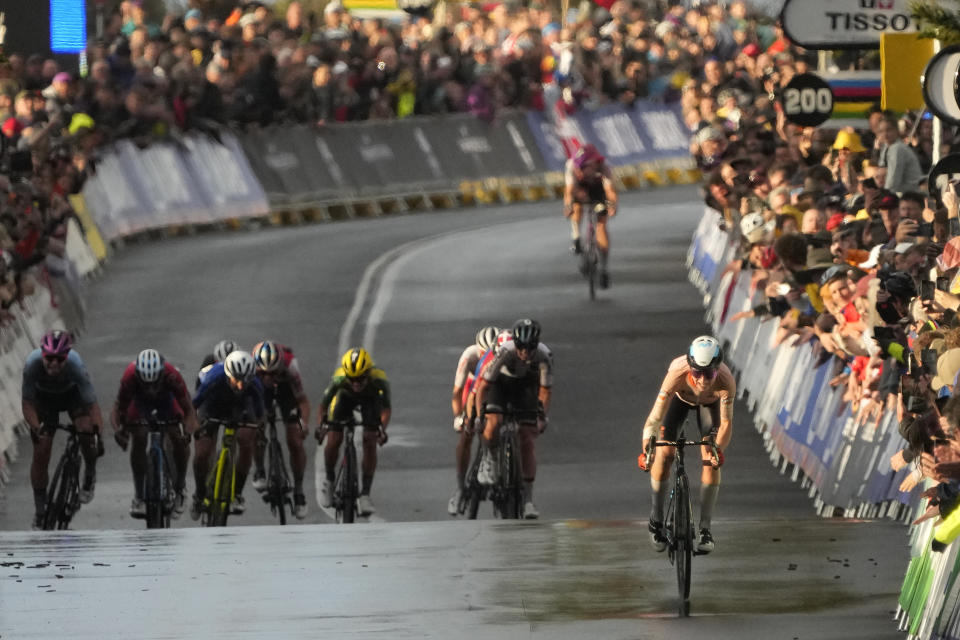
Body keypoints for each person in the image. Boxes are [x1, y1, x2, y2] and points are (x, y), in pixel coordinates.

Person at [639, 336, 734, 554]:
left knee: (710, 460)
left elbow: (727, 422)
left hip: (709, 406)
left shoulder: (726, 380)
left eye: (709, 373)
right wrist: (647, 451)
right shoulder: (677, 374)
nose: (702, 380)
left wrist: (718, 451)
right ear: (689, 368)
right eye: (697, 373)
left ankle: (705, 529)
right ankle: (656, 518)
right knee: (664, 454)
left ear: (717, 369)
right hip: (679, 400)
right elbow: (654, 419)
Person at [21, 330, 104, 529]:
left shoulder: (76, 366)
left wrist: (97, 436)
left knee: (85, 432)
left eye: (60, 359)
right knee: (41, 451)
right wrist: (35, 427)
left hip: (72, 396)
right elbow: (27, 404)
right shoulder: (32, 365)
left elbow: (92, 405)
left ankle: (90, 473)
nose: (55, 364)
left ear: (67, 356)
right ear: (43, 355)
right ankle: (40, 511)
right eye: (50, 358)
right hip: (44, 399)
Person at [473, 319, 552, 519]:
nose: (525, 352)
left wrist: (542, 417)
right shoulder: (504, 352)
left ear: (536, 345)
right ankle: (489, 457)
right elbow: (483, 387)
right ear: (515, 343)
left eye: (530, 348)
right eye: (521, 347)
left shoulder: (544, 356)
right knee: (494, 423)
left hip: (525, 385)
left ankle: (527, 500)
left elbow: (544, 391)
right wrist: (481, 416)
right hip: (500, 383)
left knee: (527, 437)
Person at [112, 348, 200, 518]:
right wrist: (119, 430)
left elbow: (189, 410)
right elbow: (119, 409)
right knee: (139, 436)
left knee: (177, 437)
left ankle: (180, 487)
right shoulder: (129, 377)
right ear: (138, 376)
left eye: (154, 383)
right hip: (140, 405)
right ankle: (139, 496)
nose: (150, 389)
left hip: (167, 402)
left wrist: (187, 431)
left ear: (161, 375)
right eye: (146, 384)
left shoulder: (172, 375)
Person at [315, 348, 391, 517]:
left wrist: (382, 430)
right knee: (334, 438)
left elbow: (386, 409)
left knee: (370, 440)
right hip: (344, 398)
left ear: (368, 374)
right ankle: (329, 479)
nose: (356, 383)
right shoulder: (339, 378)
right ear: (346, 376)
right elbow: (323, 405)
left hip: (369, 400)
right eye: (352, 379)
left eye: (361, 379)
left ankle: (364, 494)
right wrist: (321, 426)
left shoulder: (379, 380)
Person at [190, 350, 264, 520]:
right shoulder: (213, 378)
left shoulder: (254, 384)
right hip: (212, 405)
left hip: (239, 407)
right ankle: (199, 495)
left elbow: (260, 416)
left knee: (246, 442)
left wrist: (257, 432)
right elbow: (193, 407)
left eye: (245, 382)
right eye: (236, 380)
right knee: (202, 453)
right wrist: (196, 427)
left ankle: (237, 493)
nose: (240, 386)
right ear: (228, 375)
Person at [250, 340, 310, 519]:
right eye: (264, 374)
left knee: (295, 441)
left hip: (286, 392)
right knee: (257, 427)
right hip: (261, 394)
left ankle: (299, 492)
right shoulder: (251, 369)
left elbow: (303, 402)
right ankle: (260, 469)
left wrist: (303, 424)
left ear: (280, 368)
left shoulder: (291, 367)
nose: (268, 378)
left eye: (273, 373)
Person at [448, 326, 500, 516]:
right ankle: (461, 488)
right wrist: (459, 416)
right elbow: (457, 393)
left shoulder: (501, 354)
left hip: (492, 385)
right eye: (482, 354)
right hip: (472, 387)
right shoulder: (469, 356)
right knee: (466, 435)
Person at [563, 143, 619, 289]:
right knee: (576, 205)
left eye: (584, 168)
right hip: (579, 189)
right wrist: (568, 206)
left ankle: (604, 268)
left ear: (594, 164)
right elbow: (569, 192)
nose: (581, 171)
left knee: (601, 224)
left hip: (598, 189)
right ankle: (576, 236)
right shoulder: (571, 167)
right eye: (579, 168)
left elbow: (610, 192)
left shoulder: (604, 167)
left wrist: (612, 206)